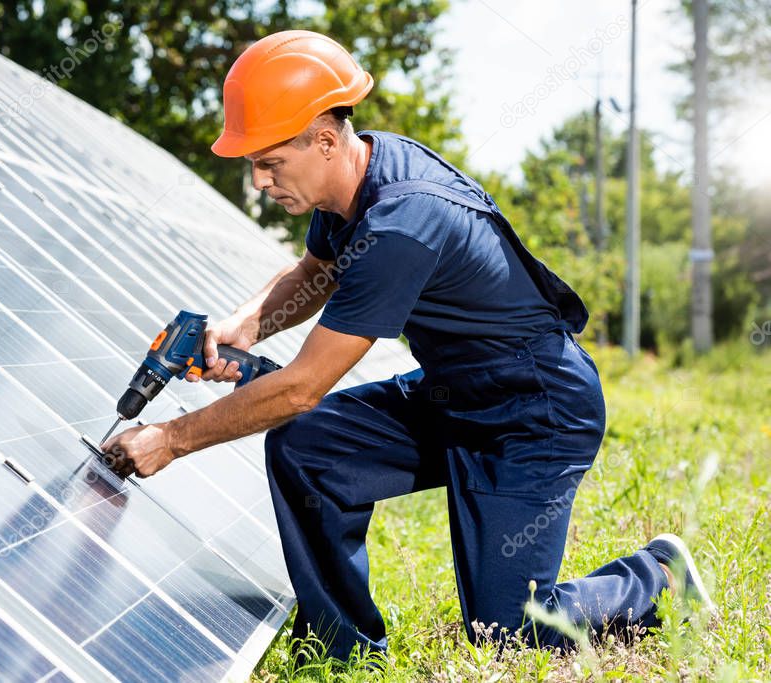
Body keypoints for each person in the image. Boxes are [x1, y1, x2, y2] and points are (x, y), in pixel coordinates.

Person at [102, 30, 715, 660]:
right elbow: (316, 271)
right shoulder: (353, 175)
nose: (259, 181)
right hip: (455, 394)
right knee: (309, 449)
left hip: (536, 414)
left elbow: (302, 388)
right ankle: (343, 651)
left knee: (508, 634)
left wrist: (170, 440)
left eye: (269, 162)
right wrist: (248, 322)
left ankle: (657, 572)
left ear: (323, 138)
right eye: (253, 164)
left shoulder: (403, 221)